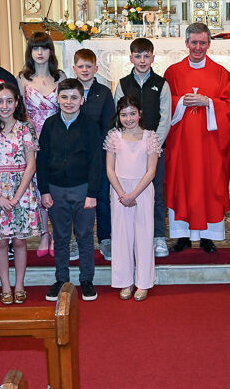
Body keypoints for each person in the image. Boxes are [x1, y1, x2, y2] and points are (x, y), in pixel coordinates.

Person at [164, 22, 230, 253]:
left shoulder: (222, 74)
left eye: (202, 43)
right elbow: (164, 105)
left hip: (209, 144)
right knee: (182, 184)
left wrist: (209, 103)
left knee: (208, 185)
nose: (198, 47)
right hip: (182, 142)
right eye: (193, 42)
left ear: (209, 44)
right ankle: (182, 236)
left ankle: (208, 236)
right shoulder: (173, 72)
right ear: (186, 43)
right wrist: (179, 102)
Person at [0, 82, 44, 305]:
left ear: (16, 103)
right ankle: (5, 286)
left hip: (21, 191)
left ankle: (19, 285)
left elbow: (31, 165)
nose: (4, 106)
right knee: (1, 243)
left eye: (9, 101)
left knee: (19, 242)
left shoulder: (26, 128)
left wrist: (15, 198)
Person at [38, 78, 102, 301]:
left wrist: (92, 193)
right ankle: (62, 279)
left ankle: (86, 279)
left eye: (74, 97)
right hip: (55, 189)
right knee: (61, 236)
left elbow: (96, 161)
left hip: (83, 189)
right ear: (57, 99)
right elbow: (42, 158)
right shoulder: (50, 124)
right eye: (64, 97)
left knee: (84, 235)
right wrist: (44, 190)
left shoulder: (90, 125)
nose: (69, 101)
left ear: (82, 100)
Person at [113, 38, 172, 257]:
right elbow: (118, 117)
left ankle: (157, 236)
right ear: (131, 58)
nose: (142, 60)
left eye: (146, 56)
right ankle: (131, 236)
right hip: (128, 151)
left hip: (154, 150)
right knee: (130, 192)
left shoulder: (161, 83)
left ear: (153, 58)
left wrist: (154, 146)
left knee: (155, 193)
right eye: (138, 56)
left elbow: (166, 117)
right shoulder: (122, 84)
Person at [106, 95, 161, 301]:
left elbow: (151, 172)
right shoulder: (114, 137)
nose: (128, 118)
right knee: (122, 236)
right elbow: (110, 170)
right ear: (118, 116)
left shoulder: (150, 137)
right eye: (124, 115)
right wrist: (122, 194)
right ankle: (124, 281)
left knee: (144, 235)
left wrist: (134, 194)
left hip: (142, 190)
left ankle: (143, 282)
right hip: (119, 191)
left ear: (140, 114)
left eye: (132, 114)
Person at [19, 30, 63, 257]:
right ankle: (44, 233)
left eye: (44, 48)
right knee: (38, 187)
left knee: (56, 186)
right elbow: (19, 112)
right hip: (33, 140)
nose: (39, 52)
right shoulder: (23, 78)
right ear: (30, 51)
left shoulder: (60, 77)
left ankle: (58, 232)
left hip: (57, 138)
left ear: (50, 51)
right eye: (35, 48)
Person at [72, 48, 116, 260]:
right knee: (78, 199)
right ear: (74, 69)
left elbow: (109, 124)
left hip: (98, 154)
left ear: (96, 68)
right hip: (75, 155)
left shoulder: (104, 93)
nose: (85, 70)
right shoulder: (69, 90)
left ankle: (106, 239)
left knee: (102, 198)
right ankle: (81, 239)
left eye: (89, 66)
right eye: (80, 66)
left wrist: (104, 152)